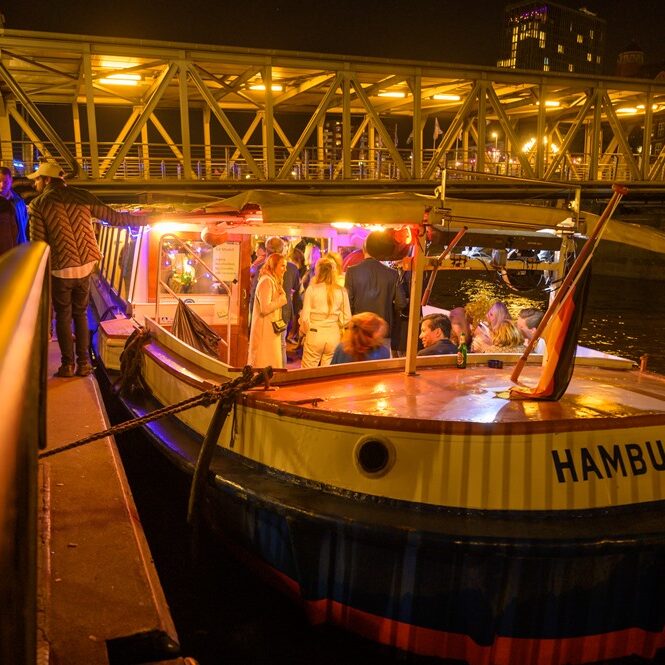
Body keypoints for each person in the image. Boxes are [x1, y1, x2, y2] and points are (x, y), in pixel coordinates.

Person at [28, 161, 148, 378]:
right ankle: (84, 364)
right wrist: (151, 219)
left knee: (63, 316)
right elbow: (116, 218)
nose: (34, 183)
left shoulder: (38, 204)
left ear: (46, 180)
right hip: (85, 265)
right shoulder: (82, 195)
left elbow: (38, 244)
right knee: (81, 313)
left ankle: (68, 365)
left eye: (37, 179)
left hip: (61, 269)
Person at [344, 244, 407, 352]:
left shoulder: (352, 272)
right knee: (381, 361)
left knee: (359, 360)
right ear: (378, 251)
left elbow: (348, 303)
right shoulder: (392, 273)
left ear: (363, 250)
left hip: (360, 331)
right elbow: (401, 303)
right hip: (382, 330)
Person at [249, 236, 301, 363]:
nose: (284, 269)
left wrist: (251, 318)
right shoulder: (292, 268)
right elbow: (296, 292)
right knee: (277, 348)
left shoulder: (260, 268)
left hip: (273, 317)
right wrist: (294, 314)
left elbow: (253, 295)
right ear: (283, 250)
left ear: (267, 250)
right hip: (279, 316)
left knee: (274, 348)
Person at [299, 258, 351, 368]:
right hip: (333, 334)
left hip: (314, 332)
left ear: (318, 271)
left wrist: (304, 332)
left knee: (308, 371)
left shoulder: (312, 289)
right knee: (328, 371)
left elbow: (305, 318)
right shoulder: (341, 291)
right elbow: (347, 318)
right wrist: (337, 324)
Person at [248, 253, 288, 369]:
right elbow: (264, 308)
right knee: (264, 364)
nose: (285, 269)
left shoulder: (272, 280)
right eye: (282, 266)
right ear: (273, 265)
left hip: (270, 330)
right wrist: (281, 300)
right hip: (264, 331)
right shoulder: (266, 281)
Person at [0, 166, 29, 255]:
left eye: (5, 182)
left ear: (11, 181)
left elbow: (24, 228)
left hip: (18, 251)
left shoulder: (19, 202)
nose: (2, 185)